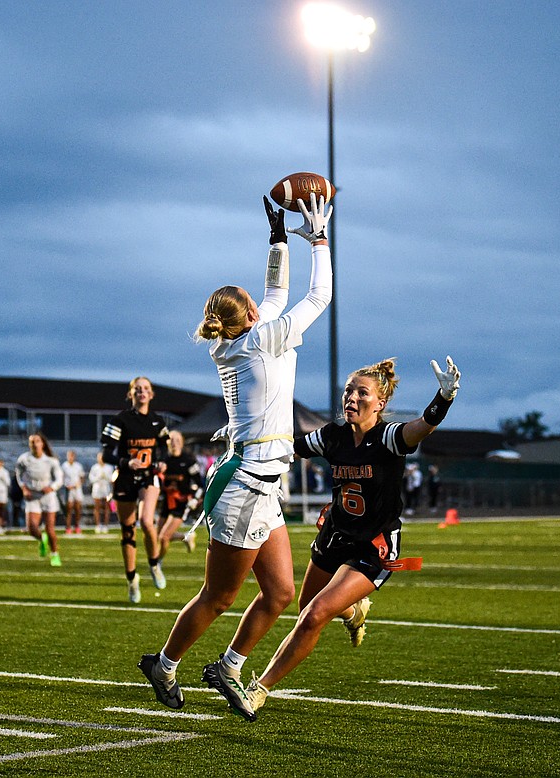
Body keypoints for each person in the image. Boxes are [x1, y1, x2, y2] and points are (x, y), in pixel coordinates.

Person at [138, 192, 332, 716]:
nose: (262, 302)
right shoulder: (259, 341)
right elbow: (319, 296)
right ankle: (165, 663)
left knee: (281, 593)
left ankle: (228, 666)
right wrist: (317, 239)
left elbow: (274, 290)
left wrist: (275, 236)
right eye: (253, 302)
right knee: (218, 597)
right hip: (247, 486)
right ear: (247, 315)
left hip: (259, 484)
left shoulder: (247, 338)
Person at [230, 356, 461, 720]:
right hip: (335, 533)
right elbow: (287, 448)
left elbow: (422, 426)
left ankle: (259, 689)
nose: (351, 397)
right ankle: (354, 611)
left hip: (375, 542)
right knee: (306, 606)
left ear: (380, 404)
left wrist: (443, 398)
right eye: (349, 391)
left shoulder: (387, 437)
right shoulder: (333, 436)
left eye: (362, 392)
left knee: (315, 615)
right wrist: (245, 439)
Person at [101, 376, 170, 602]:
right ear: (131, 394)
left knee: (147, 521)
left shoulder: (158, 421)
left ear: (151, 394)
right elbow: (106, 453)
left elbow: (164, 449)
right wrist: (125, 462)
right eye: (137, 389)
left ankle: (154, 563)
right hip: (125, 477)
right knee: (128, 530)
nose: (142, 392)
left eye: (146, 388)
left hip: (148, 477)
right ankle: (132, 579)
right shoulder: (120, 420)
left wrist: (162, 461)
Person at [15, 434, 64, 567]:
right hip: (32, 496)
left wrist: (52, 487)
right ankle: (41, 539)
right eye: (32, 442)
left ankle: (54, 554)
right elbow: (19, 476)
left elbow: (59, 479)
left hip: (47, 497)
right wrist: (24, 489)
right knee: (31, 528)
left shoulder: (51, 460)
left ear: (42, 443)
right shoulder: (24, 459)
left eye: (37, 441)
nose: (35, 444)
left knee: (50, 529)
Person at [157, 430, 204, 556]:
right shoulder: (164, 460)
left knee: (163, 537)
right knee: (158, 534)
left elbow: (200, 484)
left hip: (181, 502)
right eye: (171, 440)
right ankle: (185, 536)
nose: (174, 443)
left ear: (182, 442)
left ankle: (156, 565)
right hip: (167, 501)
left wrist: (195, 498)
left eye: (177, 440)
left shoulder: (189, 460)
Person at [87, 452, 115, 534]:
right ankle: (98, 525)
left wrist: (106, 477)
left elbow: (112, 478)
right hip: (97, 488)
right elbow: (91, 478)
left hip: (106, 488)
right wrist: (98, 477)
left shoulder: (109, 467)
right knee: (97, 507)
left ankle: (106, 525)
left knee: (107, 507)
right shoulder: (94, 467)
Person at [61, 450, 85, 534]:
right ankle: (68, 527)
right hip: (68, 490)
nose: (70, 457)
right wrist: (66, 485)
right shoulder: (64, 466)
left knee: (78, 508)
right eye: (69, 456)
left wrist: (77, 484)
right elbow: (62, 478)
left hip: (77, 489)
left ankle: (77, 526)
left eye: (72, 456)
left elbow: (82, 477)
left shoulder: (78, 466)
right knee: (69, 509)